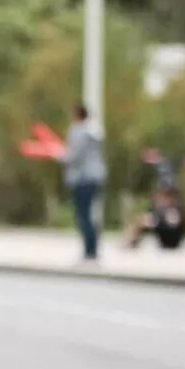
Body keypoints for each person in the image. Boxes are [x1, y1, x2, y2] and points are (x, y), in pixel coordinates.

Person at [61, 104, 107, 263]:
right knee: (90, 215)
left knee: (83, 215)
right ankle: (93, 249)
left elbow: (74, 156)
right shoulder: (94, 132)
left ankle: (89, 251)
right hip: (96, 177)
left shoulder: (78, 132)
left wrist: (59, 155)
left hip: (82, 178)